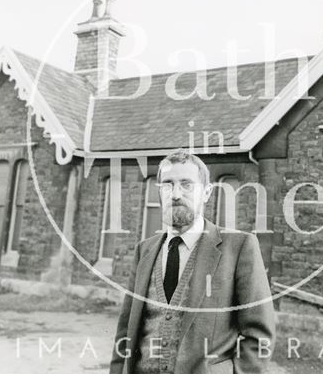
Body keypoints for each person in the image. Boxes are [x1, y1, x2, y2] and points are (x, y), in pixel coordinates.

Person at [109, 149, 276, 374]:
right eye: (167, 184)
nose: (176, 194)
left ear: (206, 193)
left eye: (186, 184)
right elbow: (125, 333)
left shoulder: (239, 248)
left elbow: (259, 336)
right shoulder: (144, 251)